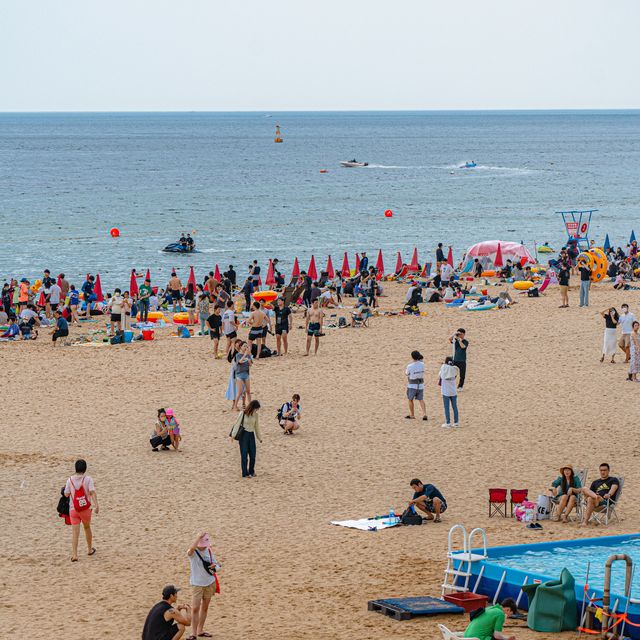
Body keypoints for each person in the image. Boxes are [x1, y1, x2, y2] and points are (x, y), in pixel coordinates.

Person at [186, 533, 220, 640]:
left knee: (205, 607)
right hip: (197, 584)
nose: (205, 545)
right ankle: (193, 633)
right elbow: (190, 550)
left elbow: (217, 564)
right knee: (195, 608)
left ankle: (200, 630)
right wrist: (197, 538)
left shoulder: (208, 551)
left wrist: (216, 567)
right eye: (203, 543)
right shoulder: (193, 553)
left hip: (209, 582)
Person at [64, 459, 99, 562]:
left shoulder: (69, 480)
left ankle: (74, 555)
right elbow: (92, 492)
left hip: (73, 509)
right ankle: (89, 549)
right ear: (85, 469)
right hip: (85, 509)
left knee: (75, 532)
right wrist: (96, 505)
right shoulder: (88, 479)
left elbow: (66, 494)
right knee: (87, 528)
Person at [229, 400, 262, 478]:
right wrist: (233, 436)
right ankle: (245, 473)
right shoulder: (243, 413)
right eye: (256, 409)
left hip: (251, 435)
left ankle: (251, 471)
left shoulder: (256, 415)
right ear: (252, 407)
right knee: (244, 455)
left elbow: (257, 427)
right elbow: (237, 424)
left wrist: (259, 437)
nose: (256, 410)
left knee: (253, 455)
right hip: (244, 435)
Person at [405, 350, 427, 420]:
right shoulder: (422, 364)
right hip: (420, 384)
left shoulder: (410, 366)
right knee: (421, 399)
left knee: (410, 399)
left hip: (412, 385)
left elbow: (406, 374)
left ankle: (412, 415)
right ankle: (424, 414)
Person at [439, 356, 459, 428]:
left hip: (445, 392)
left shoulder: (443, 368)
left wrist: (444, 364)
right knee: (455, 407)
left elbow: (440, 375)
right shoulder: (455, 369)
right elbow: (454, 370)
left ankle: (448, 423)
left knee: (446, 407)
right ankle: (456, 422)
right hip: (453, 391)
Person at [233, 342, 253, 410]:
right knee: (240, 391)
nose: (246, 348)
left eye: (247, 346)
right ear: (241, 347)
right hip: (239, 375)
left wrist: (249, 357)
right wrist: (245, 355)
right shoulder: (238, 355)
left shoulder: (248, 355)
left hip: (246, 374)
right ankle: (235, 406)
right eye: (244, 346)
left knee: (248, 391)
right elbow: (240, 362)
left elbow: (250, 364)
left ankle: (250, 406)